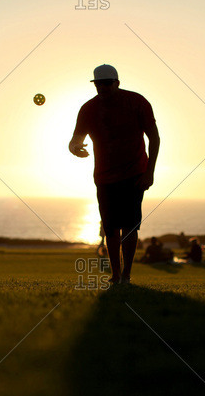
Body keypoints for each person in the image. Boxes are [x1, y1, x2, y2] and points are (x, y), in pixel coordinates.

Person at [69, 64, 160, 284]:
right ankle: (116, 275)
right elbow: (75, 140)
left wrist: (150, 172)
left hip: (134, 174)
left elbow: (154, 138)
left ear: (117, 83)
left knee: (129, 226)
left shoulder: (137, 102)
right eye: (99, 84)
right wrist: (75, 149)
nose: (103, 88)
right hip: (104, 177)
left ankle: (126, 275)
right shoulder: (88, 109)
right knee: (110, 227)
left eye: (107, 83)